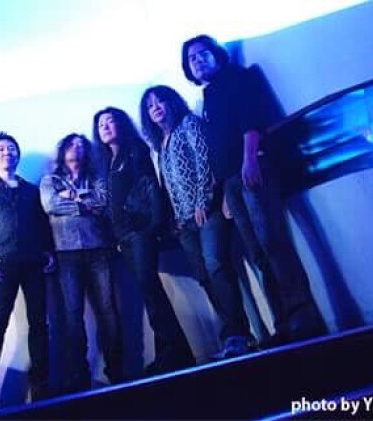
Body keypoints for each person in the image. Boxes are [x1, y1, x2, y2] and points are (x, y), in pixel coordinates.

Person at [181, 34, 327, 343]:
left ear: (216, 54)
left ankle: (303, 316)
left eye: (203, 54)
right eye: (191, 58)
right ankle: (283, 323)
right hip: (231, 181)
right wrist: (224, 192)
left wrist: (250, 159)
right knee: (257, 251)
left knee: (273, 242)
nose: (198, 61)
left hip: (252, 168)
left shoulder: (237, 77)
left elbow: (251, 122)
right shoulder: (207, 96)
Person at [140, 85, 256, 358]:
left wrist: (203, 200)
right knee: (205, 277)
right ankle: (234, 336)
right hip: (184, 224)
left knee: (217, 267)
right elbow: (169, 185)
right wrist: (174, 219)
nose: (155, 108)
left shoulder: (189, 123)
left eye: (159, 101)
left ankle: (238, 336)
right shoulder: (160, 144)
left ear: (171, 102)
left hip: (207, 212)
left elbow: (205, 160)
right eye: (149, 106)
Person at [92, 107, 196, 375]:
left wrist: (153, 225)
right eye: (101, 124)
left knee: (150, 288)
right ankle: (169, 353)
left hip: (140, 231)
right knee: (148, 289)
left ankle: (176, 352)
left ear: (121, 124)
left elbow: (149, 187)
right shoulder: (108, 161)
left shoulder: (134, 149)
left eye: (110, 121)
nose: (105, 127)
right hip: (123, 236)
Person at [0, 132, 55, 414]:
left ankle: (40, 384)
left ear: (17, 155)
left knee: (39, 325)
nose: (7, 152)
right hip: (2, 267)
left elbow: (42, 225)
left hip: (34, 264)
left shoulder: (31, 190)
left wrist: (48, 252)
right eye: (1, 149)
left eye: (11, 148)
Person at [40, 134, 122, 392]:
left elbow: (103, 201)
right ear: (62, 150)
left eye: (80, 144)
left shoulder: (96, 176)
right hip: (66, 253)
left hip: (99, 249)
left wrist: (72, 197)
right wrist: (83, 204)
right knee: (72, 313)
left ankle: (116, 369)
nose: (76, 148)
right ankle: (78, 374)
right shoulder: (50, 180)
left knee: (108, 309)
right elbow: (50, 205)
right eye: (71, 144)